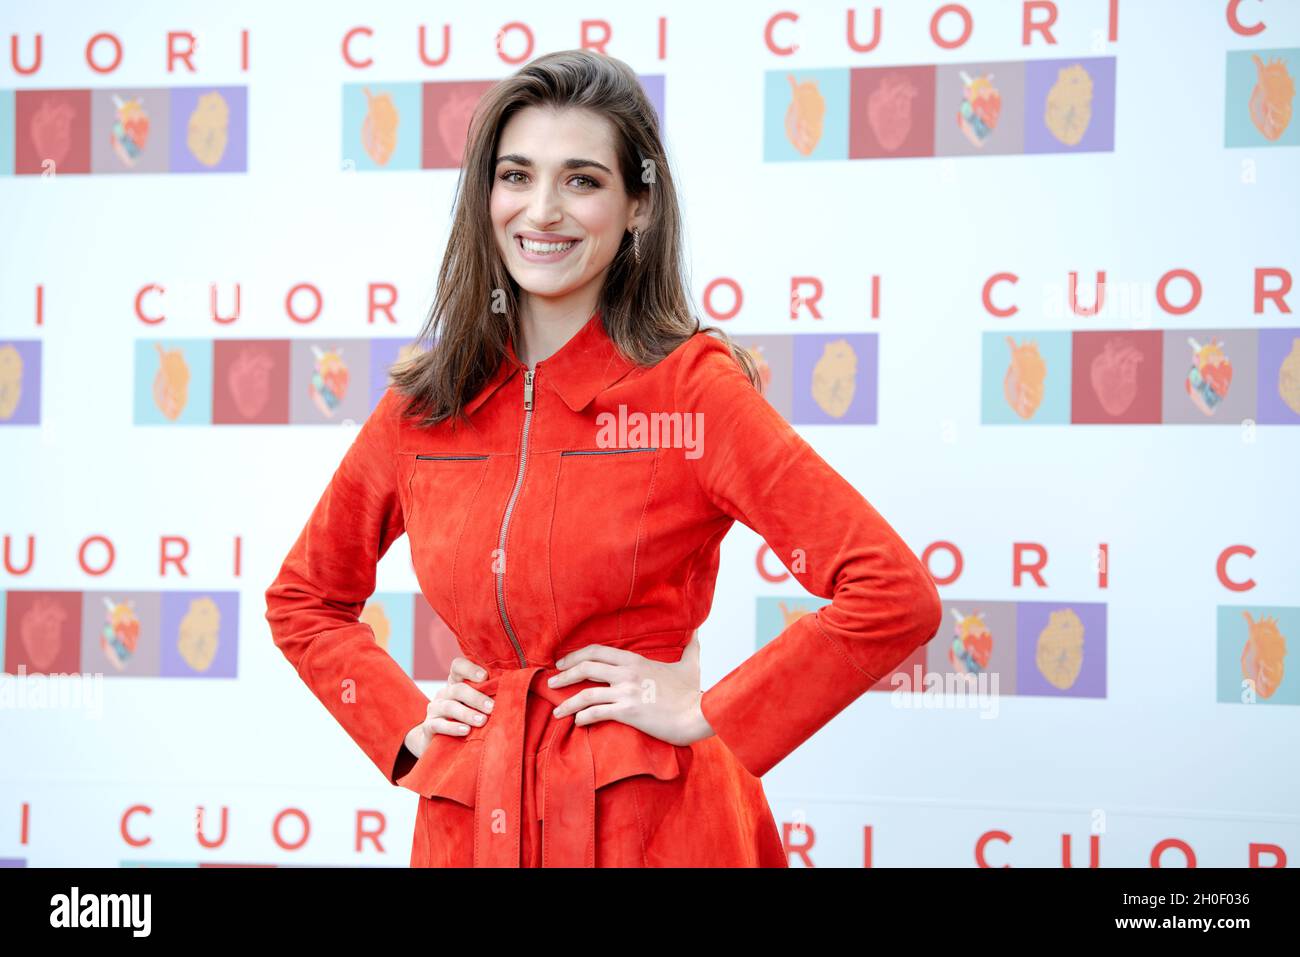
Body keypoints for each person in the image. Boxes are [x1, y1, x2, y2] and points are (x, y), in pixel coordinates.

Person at [264, 49, 942, 868]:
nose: (541, 210)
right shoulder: (426, 402)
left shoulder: (693, 390)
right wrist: (401, 727)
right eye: (516, 176)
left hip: (654, 823)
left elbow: (891, 592)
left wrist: (710, 709)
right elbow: (304, 597)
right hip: (474, 820)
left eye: (581, 180)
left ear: (639, 208)